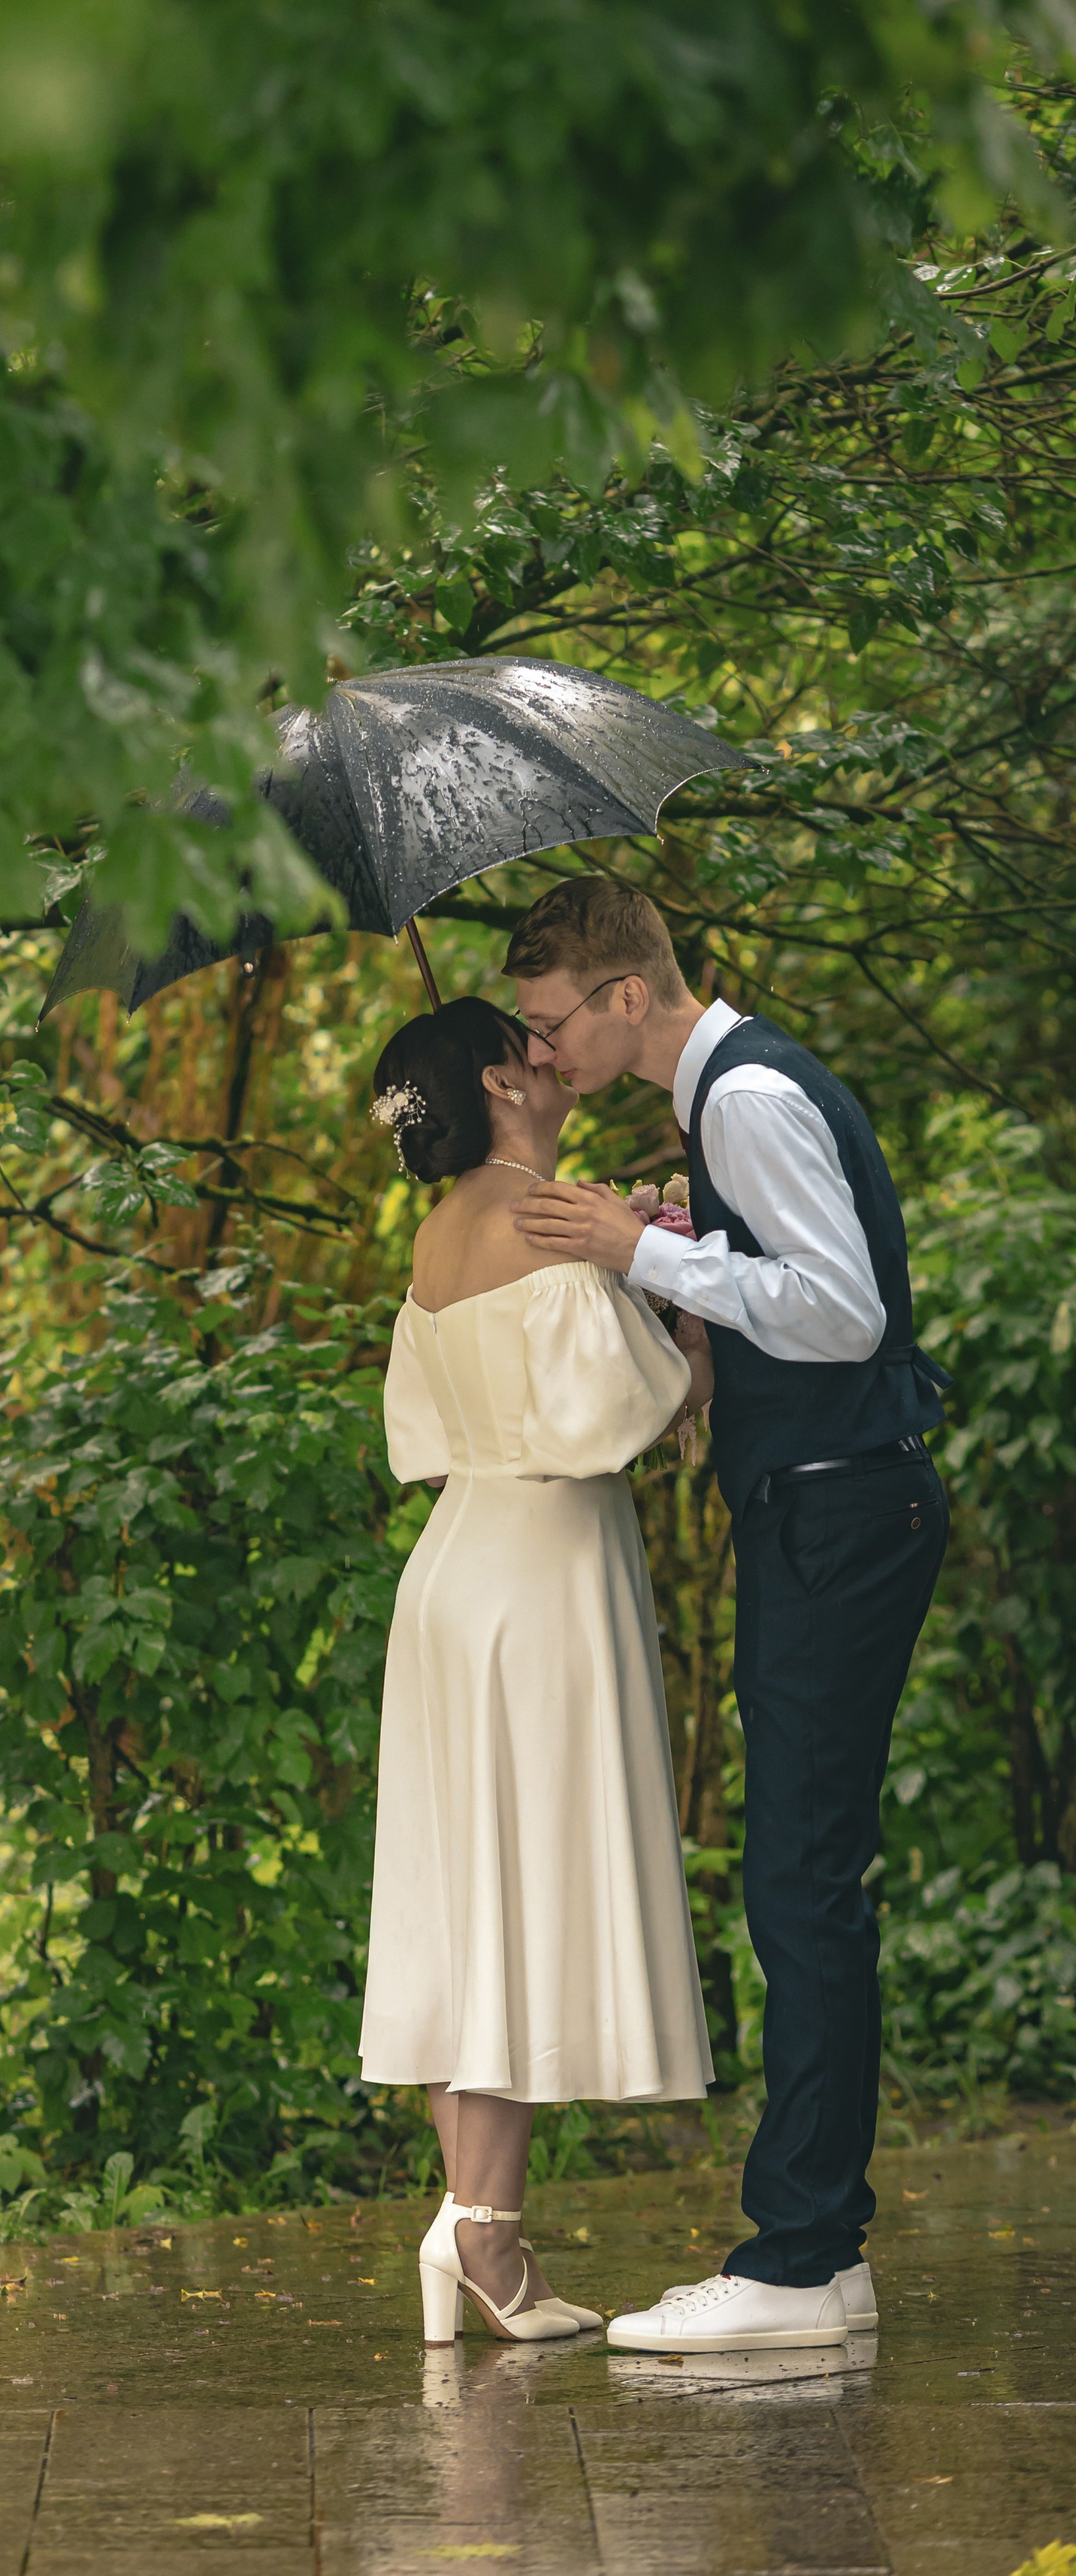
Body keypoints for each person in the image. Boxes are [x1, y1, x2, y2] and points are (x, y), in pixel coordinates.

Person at [503, 878, 949, 2355]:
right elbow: (800, 1283)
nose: (543, 1051)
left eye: (550, 1021)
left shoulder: (744, 1093)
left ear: (624, 996)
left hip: (835, 1509)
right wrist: (696, 1240)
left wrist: (639, 1254)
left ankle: (798, 2263)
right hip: (826, 1507)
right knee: (802, 1879)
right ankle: (815, 2250)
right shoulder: (732, 1103)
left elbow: (843, 1316)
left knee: (800, 1885)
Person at [360, 996, 715, 2349]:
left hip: (456, 1568)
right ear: (506, 1080)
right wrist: (688, 1331)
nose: (560, 1062)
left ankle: (473, 2226)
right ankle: (489, 2242)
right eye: (539, 1046)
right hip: (542, 1576)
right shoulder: (539, 1214)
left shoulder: (442, 1230)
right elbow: (621, 1418)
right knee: (512, 1906)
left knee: (469, 1909)